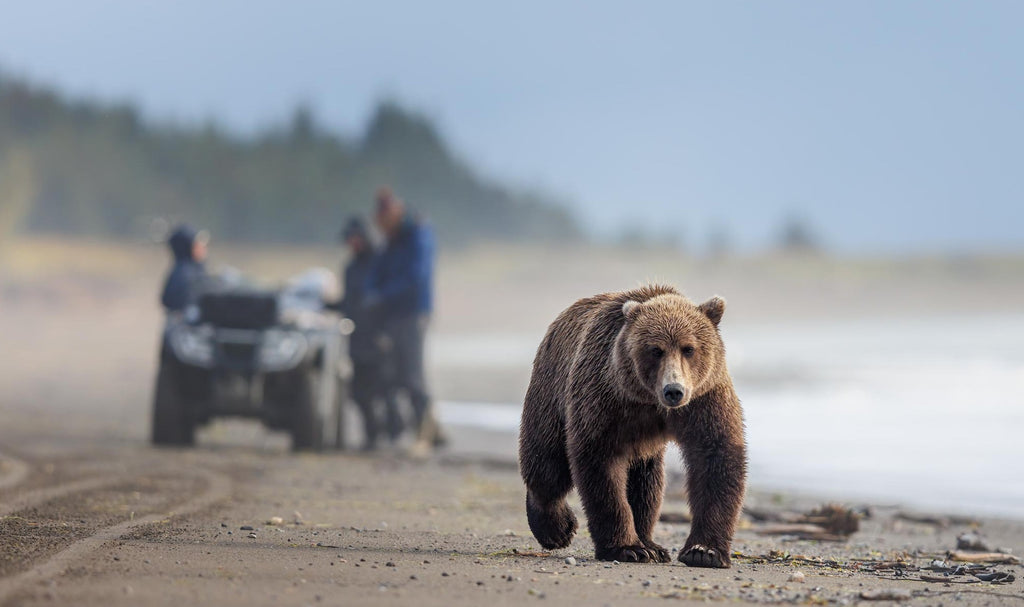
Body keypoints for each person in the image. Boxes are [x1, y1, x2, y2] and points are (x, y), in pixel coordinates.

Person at [365, 187, 445, 453]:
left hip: (413, 313)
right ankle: (432, 430)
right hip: (394, 313)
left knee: (412, 374)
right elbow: (378, 268)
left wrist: (382, 295)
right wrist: (371, 291)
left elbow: (416, 275)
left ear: (395, 213)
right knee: (397, 372)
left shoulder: (418, 234)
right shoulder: (392, 238)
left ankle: (425, 434)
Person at [332, 217, 402, 450]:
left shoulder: (381, 264)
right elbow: (349, 304)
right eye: (350, 239)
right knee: (359, 392)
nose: (353, 243)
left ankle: (394, 433)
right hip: (357, 338)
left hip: (379, 337)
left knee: (385, 389)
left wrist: (387, 333)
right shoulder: (351, 269)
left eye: (356, 238)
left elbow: (390, 300)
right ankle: (372, 434)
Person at [160, 225, 209, 313]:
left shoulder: (182, 270)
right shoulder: (187, 275)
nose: (203, 247)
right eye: (198, 243)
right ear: (189, 247)